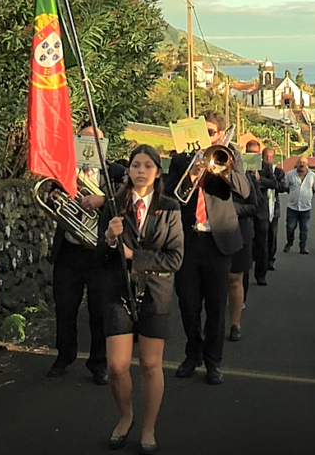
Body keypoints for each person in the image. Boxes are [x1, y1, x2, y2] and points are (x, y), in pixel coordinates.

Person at [98, 144, 183, 454]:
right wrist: (109, 238)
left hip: (155, 293)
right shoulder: (113, 205)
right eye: (136, 165)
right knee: (117, 366)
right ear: (129, 169)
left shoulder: (171, 208)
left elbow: (175, 259)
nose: (140, 171)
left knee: (150, 365)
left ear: (157, 172)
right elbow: (100, 254)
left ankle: (148, 428)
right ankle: (126, 417)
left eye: (148, 166)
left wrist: (135, 256)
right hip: (119, 290)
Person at [165, 111, 250, 385]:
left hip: (218, 241)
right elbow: (171, 196)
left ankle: (214, 362)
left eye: (212, 132)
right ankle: (193, 354)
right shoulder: (180, 160)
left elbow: (244, 191)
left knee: (215, 307)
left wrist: (221, 167)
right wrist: (192, 174)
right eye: (204, 132)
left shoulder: (229, 155)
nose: (208, 136)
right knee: (188, 304)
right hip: (188, 241)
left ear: (220, 134)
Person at [46, 124, 125, 385]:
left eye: (97, 140)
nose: (91, 143)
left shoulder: (115, 173)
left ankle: (98, 363)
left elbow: (126, 202)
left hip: (100, 252)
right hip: (69, 250)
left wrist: (103, 202)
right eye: (86, 138)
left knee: (99, 311)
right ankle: (64, 355)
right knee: (65, 308)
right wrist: (56, 194)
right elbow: (49, 197)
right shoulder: (65, 171)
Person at [229, 153, 260, 340]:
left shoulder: (245, 178)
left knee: (235, 279)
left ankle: (235, 324)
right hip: (210, 235)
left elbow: (255, 207)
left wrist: (232, 209)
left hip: (239, 232)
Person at [247, 140, 277, 286]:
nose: (252, 155)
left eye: (255, 153)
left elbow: (274, 183)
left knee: (262, 244)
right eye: (249, 152)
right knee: (246, 243)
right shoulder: (240, 165)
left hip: (261, 210)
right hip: (246, 209)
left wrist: (260, 179)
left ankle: (261, 274)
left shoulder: (265, 166)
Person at [284, 155, 315, 254]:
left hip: (306, 207)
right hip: (292, 207)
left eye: (304, 163)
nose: (302, 164)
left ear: (307, 165)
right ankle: (289, 242)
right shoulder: (290, 175)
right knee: (290, 227)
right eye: (300, 162)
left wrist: (307, 196)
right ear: (296, 164)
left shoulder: (313, 176)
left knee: (304, 229)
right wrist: (293, 195)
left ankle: (302, 247)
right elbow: (286, 187)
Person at [262, 147, 288, 270]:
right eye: (266, 156)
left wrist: (265, 182)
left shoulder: (279, 172)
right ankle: (260, 260)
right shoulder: (258, 171)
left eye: (270, 156)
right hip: (262, 208)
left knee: (272, 235)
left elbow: (282, 186)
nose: (268, 159)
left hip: (274, 209)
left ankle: (271, 260)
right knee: (262, 236)